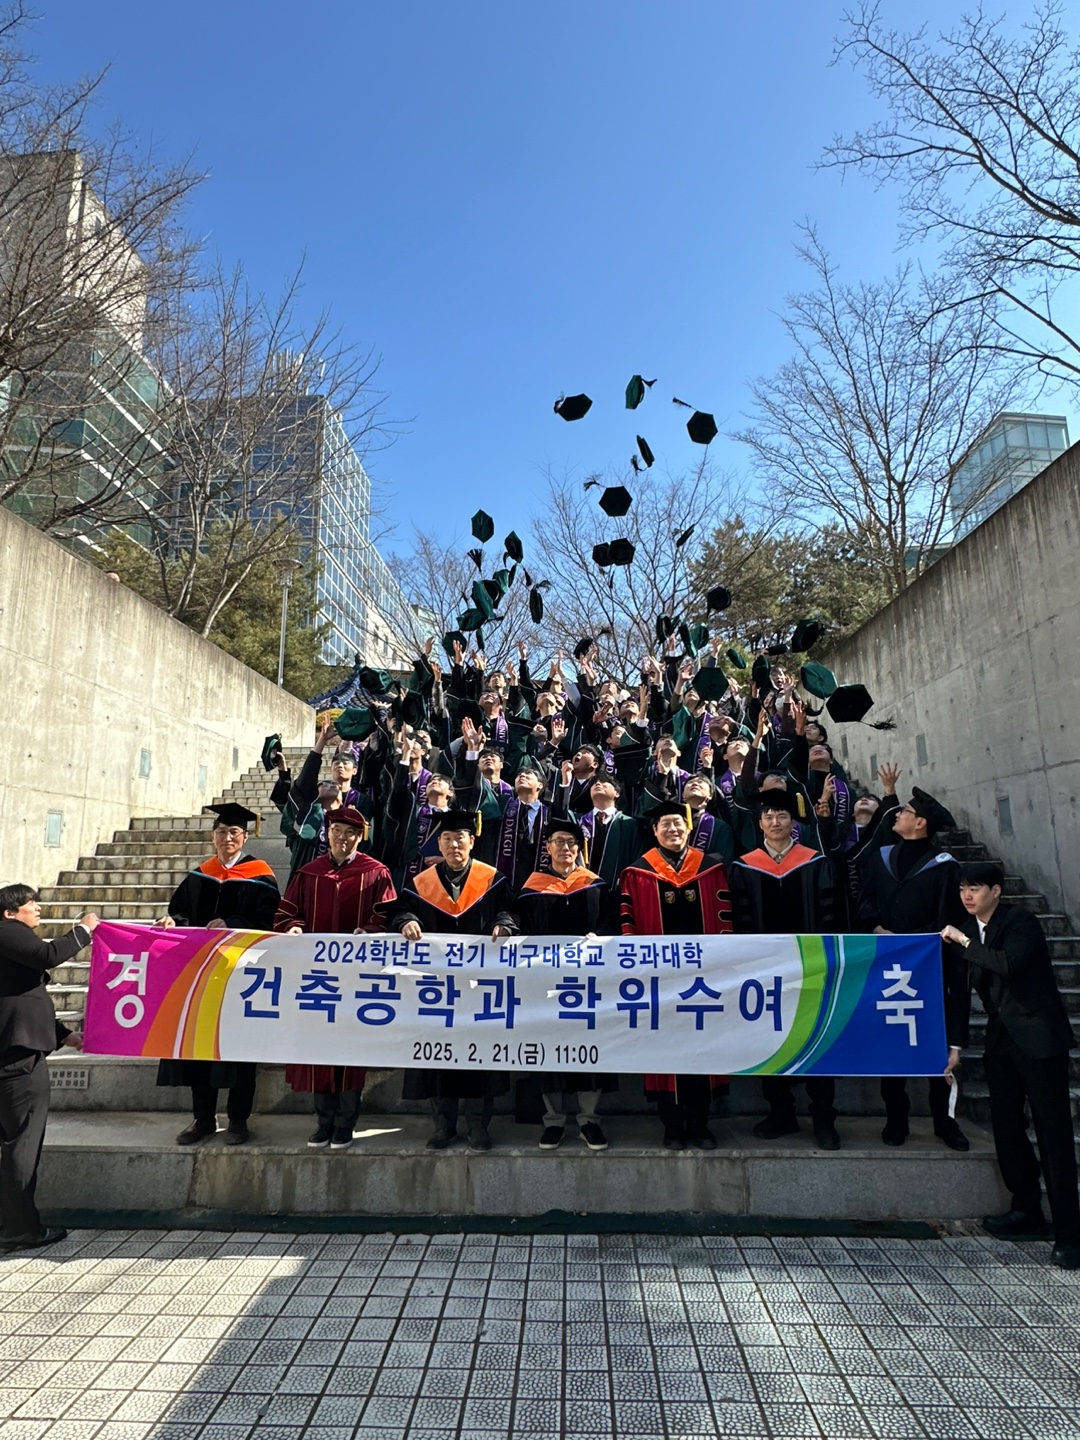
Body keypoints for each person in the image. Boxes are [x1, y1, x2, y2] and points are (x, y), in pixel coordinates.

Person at [944, 863, 1079, 1269]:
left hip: (1040, 1039)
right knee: (1006, 1126)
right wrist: (954, 1045)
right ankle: (1026, 1208)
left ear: (997, 891)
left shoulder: (1021, 923)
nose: (968, 895)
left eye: (976, 888)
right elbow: (960, 990)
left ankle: (1069, 1233)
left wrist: (965, 942)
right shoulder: (966, 930)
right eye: (963, 888)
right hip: (1001, 1042)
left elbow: (1008, 964)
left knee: (1053, 1133)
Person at [378, 811, 517, 1150]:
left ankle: (478, 1125)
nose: (454, 844)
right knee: (439, 1055)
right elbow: (397, 911)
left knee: (479, 1053)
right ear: (438, 844)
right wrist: (406, 920)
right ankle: (444, 1125)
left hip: (479, 986)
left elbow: (511, 910)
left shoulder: (492, 880)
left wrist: (503, 923)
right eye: (447, 838)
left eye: (460, 838)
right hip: (436, 988)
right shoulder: (420, 883)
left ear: (472, 841)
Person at [156, 803, 280, 1146]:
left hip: (242, 975)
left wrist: (232, 923)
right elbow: (180, 912)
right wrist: (172, 921)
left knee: (240, 1048)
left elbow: (270, 920)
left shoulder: (261, 876)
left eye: (234, 832)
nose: (228, 838)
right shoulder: (200, 874)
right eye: (222, 832)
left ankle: (238, 1120)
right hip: (202, 975)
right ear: (213, 836)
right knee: (200, 1047)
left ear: (245, 837)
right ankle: (203, 1118)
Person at [274, 807, 397, 1150]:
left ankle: (346, 1123)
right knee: (319, 1049)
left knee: (350, 1049)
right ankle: (323, 1121)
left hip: (358, 979)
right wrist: (294, 927)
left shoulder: (376, 873)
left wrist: (369, 930)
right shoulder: (308, 873)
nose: (343, 838)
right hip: (318, 979)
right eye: (337, 831)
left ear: (360, 837)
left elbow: (387, 915)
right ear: (327, 833)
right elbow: (286, 914)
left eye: (350, 833)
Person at [857, 784, 971, 1151]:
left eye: (905, 811)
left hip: (930, 968)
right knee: (890, 1040)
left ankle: (944, 1121)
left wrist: (912, 940)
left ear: (920, 822)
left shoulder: (945, 866)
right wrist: (875, 927)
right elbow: (864, 899)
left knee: (936, 1041)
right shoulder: (881, 857)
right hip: (886, 965)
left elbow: (950, 917)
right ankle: (896, 1118)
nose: (898, 814)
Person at [729, 790, 841, 1150]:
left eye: (781, 815)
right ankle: (782, 1113)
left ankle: (824, 1118)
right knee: (771, 1040)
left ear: (794, 822)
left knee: (817, 1039)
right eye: (768, 816)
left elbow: (830, 915)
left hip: (811, 968)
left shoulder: (815, 861)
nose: (775, 822)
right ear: (759, 823)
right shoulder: (744, 866)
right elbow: (740, 920)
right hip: (764, 973)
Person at [620, 801, 733, 1150]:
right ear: (654, 831)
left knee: (703, 1045)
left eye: (677, 823)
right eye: (665, 824)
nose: (672, 829)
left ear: (688, 829)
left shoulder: (711, 869)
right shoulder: (638, 873)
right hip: (659, 981)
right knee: (664, 1047)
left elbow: (725, 919)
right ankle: (672, 1125)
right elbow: (628, 925)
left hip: (704, 982)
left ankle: (700, 1124)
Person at [0, 886, 97, 1251]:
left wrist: (64, 1035)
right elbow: (48, 955)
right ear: (10, 913)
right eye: (30, 904)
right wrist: (84, 930)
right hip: (18, 1062)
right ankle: (21, 1229)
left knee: (14, 1143)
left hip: (13, 1053)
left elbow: (22, 999)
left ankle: (9, 1222)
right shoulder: (7, 932)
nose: (38, 908)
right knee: (22, 1145)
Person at [514, 819, 615, 1151]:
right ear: (547, 848)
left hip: (588, 982)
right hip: (544, 983)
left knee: (590, 1045)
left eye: (571, 842)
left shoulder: (595, 884)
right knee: (548, 1047)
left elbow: (611, 922)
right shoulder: (532, 888)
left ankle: (589, 1120)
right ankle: (554, 1121)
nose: (565, 848)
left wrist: (601, 935)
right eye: (558, 841)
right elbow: (520, 927)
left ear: (578, 848)